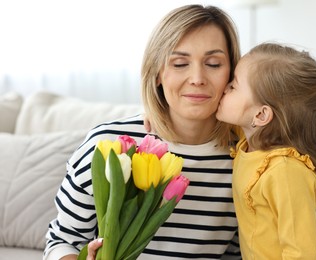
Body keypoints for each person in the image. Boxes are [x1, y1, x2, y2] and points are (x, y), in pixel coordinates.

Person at [44, 4, 242, 260]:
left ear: (232, 75)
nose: (197, 78)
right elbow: (62, 241)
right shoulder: (109, 146)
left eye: (213, 64)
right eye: (180, 63)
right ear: (157, 73)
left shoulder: (244, 157)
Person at [216, 42, 316, 259]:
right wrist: (159, 115)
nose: (224, 88)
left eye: (233, 86)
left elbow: (301, 254)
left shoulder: (286, 173)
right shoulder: (249, 143)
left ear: (261, 115)